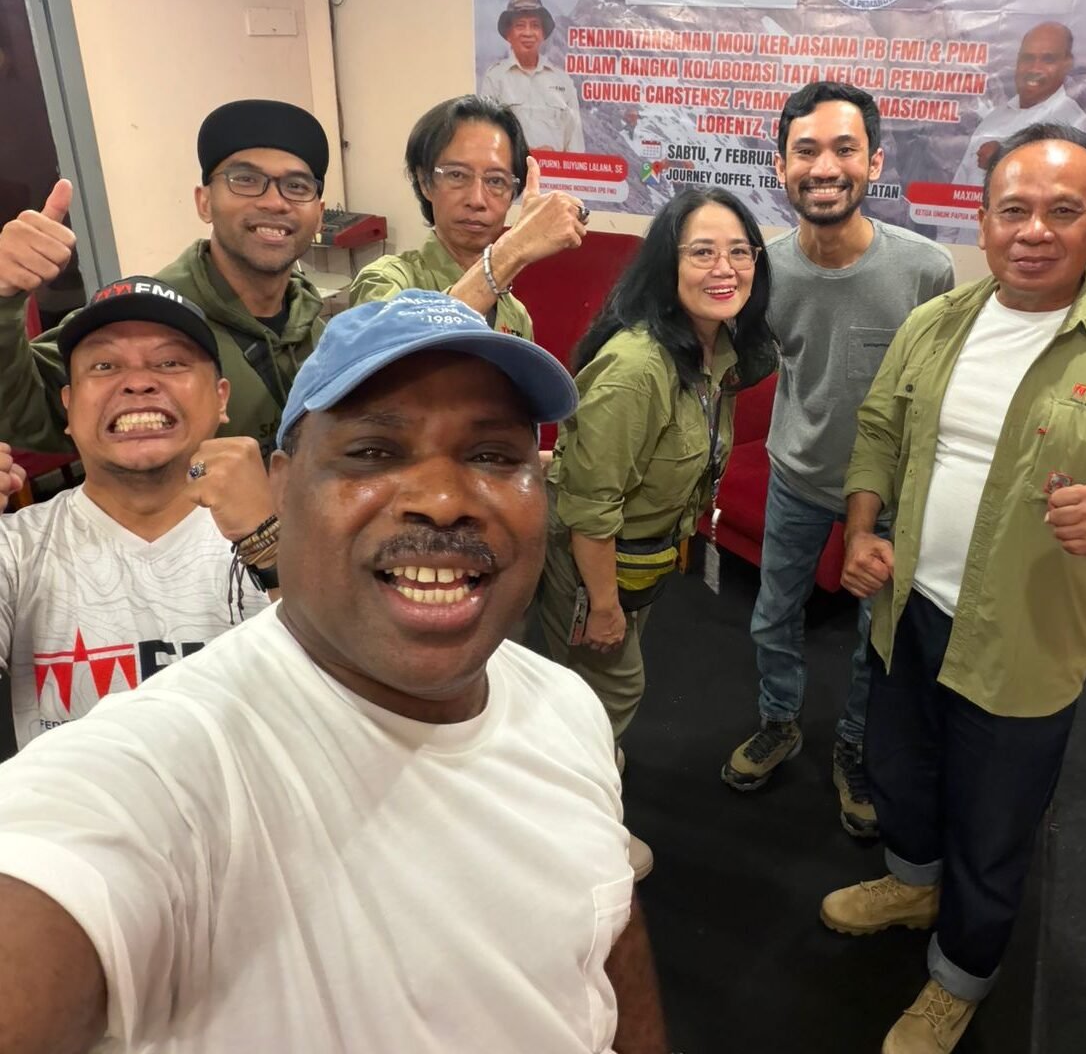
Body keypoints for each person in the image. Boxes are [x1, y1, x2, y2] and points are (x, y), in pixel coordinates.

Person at [0, 289, 674, 1053]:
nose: (443, 500)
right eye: (373, 453)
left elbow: (602, 931)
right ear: (283, 488)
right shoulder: (167, 769)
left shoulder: (566, 705)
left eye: (492, 455)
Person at [820, 124, 1086, 1054]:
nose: (1035, 231)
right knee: (901, 774)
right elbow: (879, 430)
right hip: (908, 612)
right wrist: (863, 529)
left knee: (993, 826)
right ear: (983, 222)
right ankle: (914, 885)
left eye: (1063, 212)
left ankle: (960, 977)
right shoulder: (937, 323)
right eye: (1014, 210)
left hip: (1026, 641)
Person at [720, 84, 954, 841]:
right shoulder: (763, 269)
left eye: (844, 149)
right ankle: (779, 722)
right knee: (772, 617)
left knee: (872, 641)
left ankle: (854, 744)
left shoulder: (925, 270)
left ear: (874, 162)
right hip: (795, 476)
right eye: (806, 150)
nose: (825, 167)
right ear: (781, 166)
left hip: (887, 496)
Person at [537, 187, 776, 873]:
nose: (724, 268)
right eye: (702, 252)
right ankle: (571, 840)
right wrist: (603, 606)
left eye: (739, 251)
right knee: (609, 693)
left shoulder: (714, 351)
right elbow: (590, 508)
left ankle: (580, 790)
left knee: (594, 693)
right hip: (593, 562)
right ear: (668, 266)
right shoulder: (637, 369)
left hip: (640, 558)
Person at [0, 276, 273, 750]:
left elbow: (352, 704)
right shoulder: (16, 550)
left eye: (170, 362)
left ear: (221, 398)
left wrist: (272, 548)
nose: (139, 381)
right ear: (68, 407)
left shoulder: (290, 536)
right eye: (104, 365)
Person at [0, 98, 330, 458]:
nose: (275, 202)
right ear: (204, 202)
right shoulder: (142, 316)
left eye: (297, 186)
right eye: (246, 180)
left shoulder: (322, 331)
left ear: (319, 215)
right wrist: (2, 296)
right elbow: (21, 409)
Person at [349, 94, 587, 337]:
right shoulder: (385, 280)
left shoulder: (515, 314)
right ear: (425, 182)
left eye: (496, 181)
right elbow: (399, 349)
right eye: (457, 175)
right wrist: (513, 249)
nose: (476, 200)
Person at [952, 22, 1086, 189]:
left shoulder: (1073, 121)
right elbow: (958, 189)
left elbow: (1064, 187)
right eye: (1028, 58)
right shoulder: (993, 119)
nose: (1034, 68)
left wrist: (1003, 160)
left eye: (1048, 59)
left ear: (1067, 64)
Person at [480, 0, 585, 152]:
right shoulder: (495, 78)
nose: (528, 33)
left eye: (535, 26)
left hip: (554, 168)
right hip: (512, 167)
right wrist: (524, 153)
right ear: (509, 34)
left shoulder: (562, 80)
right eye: (520, 25)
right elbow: (487, 137)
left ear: (543, 34)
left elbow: (575, 144)